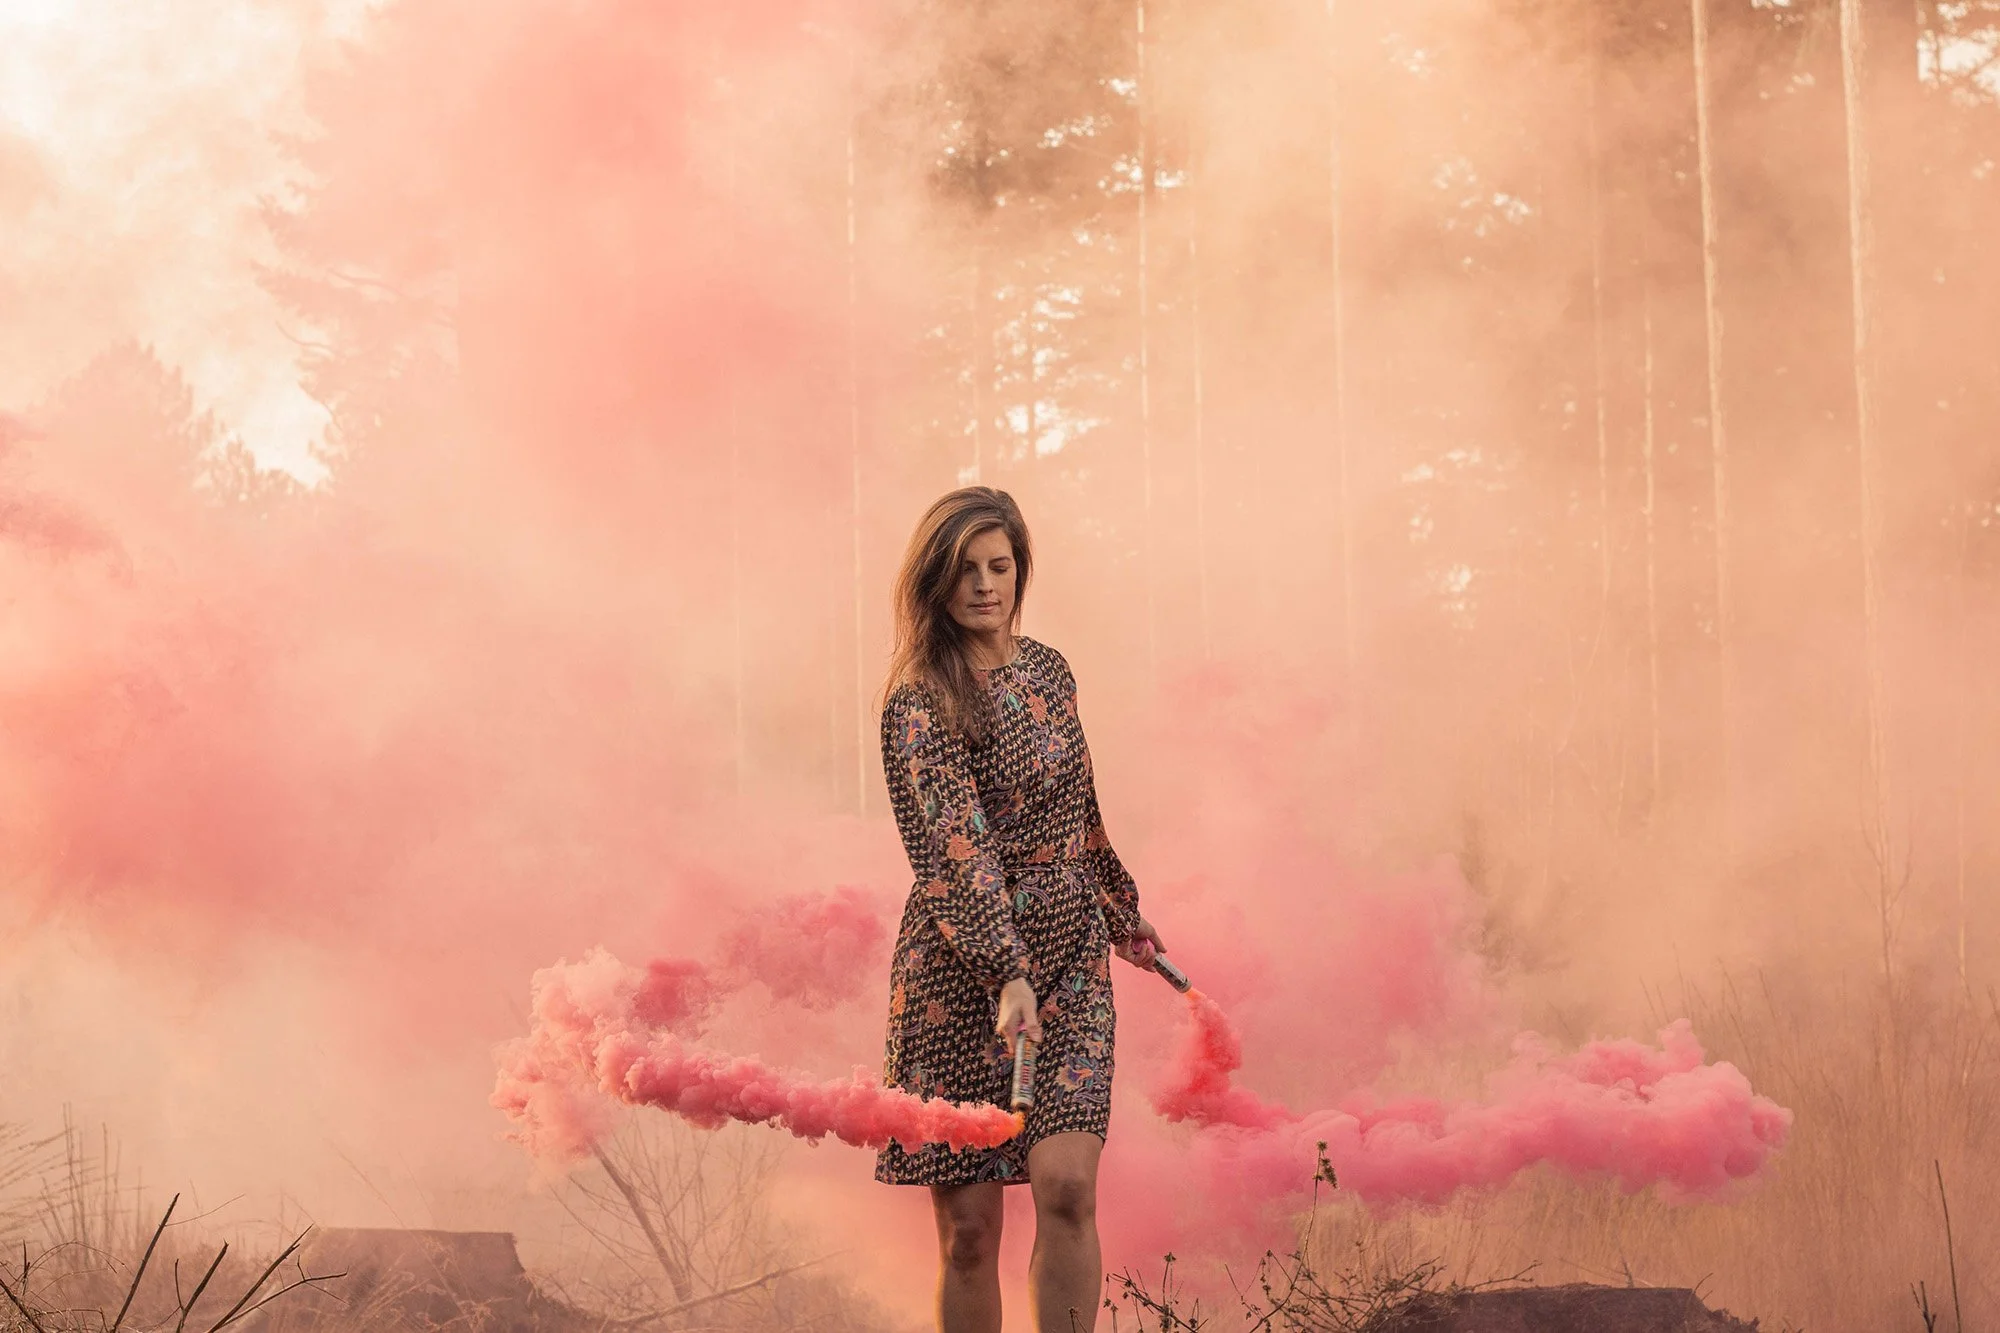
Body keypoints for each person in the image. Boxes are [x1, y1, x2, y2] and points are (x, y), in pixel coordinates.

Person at [875, 486, 1167, 1333]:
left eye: (999, 565)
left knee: (1069, 1187)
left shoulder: (1049, 671)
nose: (984, 585)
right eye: (964, 570)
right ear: (934, 582)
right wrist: (1005, 969)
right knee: (969, 1231)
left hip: (1070, 951)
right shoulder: (919, 698)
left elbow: (1080, 803)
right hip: (960, 971)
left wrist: (1119, 906)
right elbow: (953, 846)